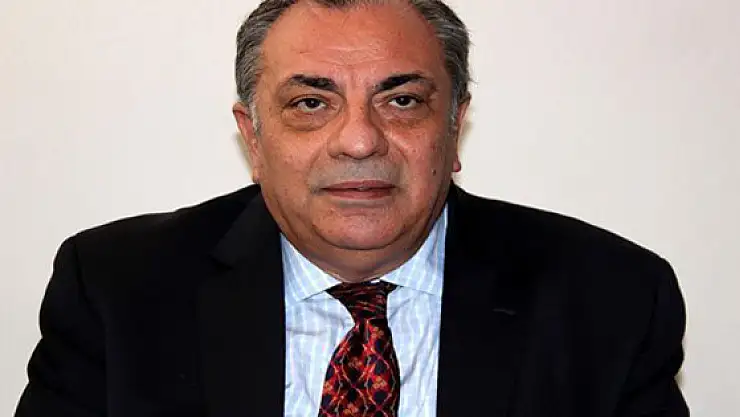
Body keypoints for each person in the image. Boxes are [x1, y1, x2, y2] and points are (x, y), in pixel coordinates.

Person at [15, 0, 688, 416]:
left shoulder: (610, 298)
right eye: (311, 103)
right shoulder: (116, 289)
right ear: (254, 137)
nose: (360, 140)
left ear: (454, 127)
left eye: (403, 101)